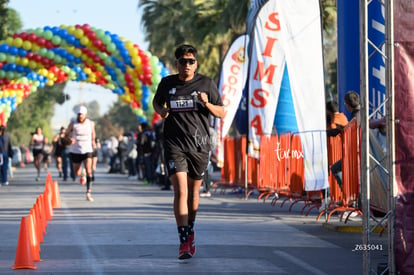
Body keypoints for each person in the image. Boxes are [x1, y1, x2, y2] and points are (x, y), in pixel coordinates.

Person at [153, 44, 225, 259]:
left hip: (199, 145)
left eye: (191, 61)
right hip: (174, 145)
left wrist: (207, 104)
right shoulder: (167, 83)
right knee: (181, 192)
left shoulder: (206, 83)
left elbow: (221, 112)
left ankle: (190, 228)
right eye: (183, 61)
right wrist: (161, 111)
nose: (187, 65)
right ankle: (183, 241)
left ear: (196, 63)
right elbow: (156, 102)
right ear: (176, 64)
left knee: (194, 194)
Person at [65, 106, 96, 201]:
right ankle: (82, 174)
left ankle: (88, 192)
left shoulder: (90, 123)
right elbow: (66, 134)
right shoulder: (73, 123)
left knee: (89, 171)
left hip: (87, 150)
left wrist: (93, 141)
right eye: (79, 114)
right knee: (76, 172)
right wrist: (69, 139)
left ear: (86, 115)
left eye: (82, 114)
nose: (80, 116)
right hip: (76, 150)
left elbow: (93, 133)